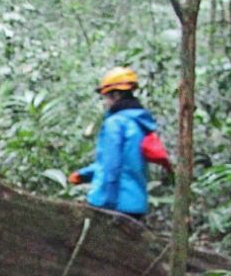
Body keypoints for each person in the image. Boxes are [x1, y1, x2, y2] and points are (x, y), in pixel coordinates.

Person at [68, 66, 164, 218]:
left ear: (117, 95)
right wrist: (84, 174)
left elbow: (112, 166)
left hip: (115, 205)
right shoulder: (139, 122)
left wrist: (107, 205)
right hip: (136, 203)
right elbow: (126, 163)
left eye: (106, 97)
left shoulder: (116, 123)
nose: (106, 102)